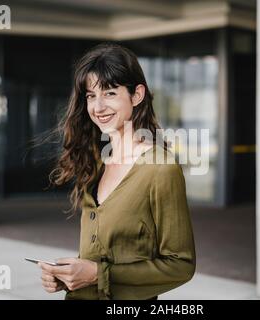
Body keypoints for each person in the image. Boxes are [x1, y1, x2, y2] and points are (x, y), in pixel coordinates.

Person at [38, 43, 196, 300]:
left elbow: (181, 265)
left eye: (109, 93)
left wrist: (97, 274)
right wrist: (69, 277)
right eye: (90, 96)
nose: (97, 107)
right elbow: (101, 255)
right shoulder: (98, 162)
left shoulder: (160, 169)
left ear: (137, 95)